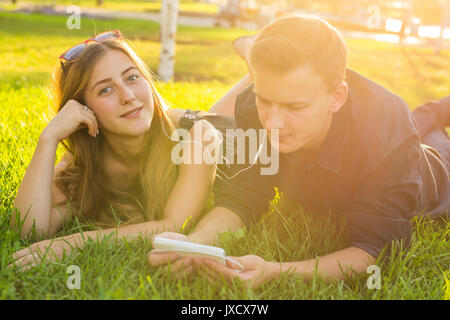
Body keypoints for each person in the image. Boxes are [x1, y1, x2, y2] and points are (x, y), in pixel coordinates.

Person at [148, 14, 450, 287]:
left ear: (337, 97)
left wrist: (275, 270)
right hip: (386, 132)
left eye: (294, 106)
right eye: (265, 100)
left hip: (435, 168)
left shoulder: (388, 134)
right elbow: (241, 199)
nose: (274, 122)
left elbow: (375, 251)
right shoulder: (250, 107)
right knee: (421, 120)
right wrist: (195, 244)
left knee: (430, 133)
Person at [9, 30, 234, 271]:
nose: (128, 96)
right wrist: (49, 137)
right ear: (84, 110)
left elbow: (177, 224)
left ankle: (253, 64)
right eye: (105, 90)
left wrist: (74, 243)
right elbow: (29, 230)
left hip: (229, 133)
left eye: (132, 78)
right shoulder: (85, 163)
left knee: (238, 110)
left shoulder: (196, 137)